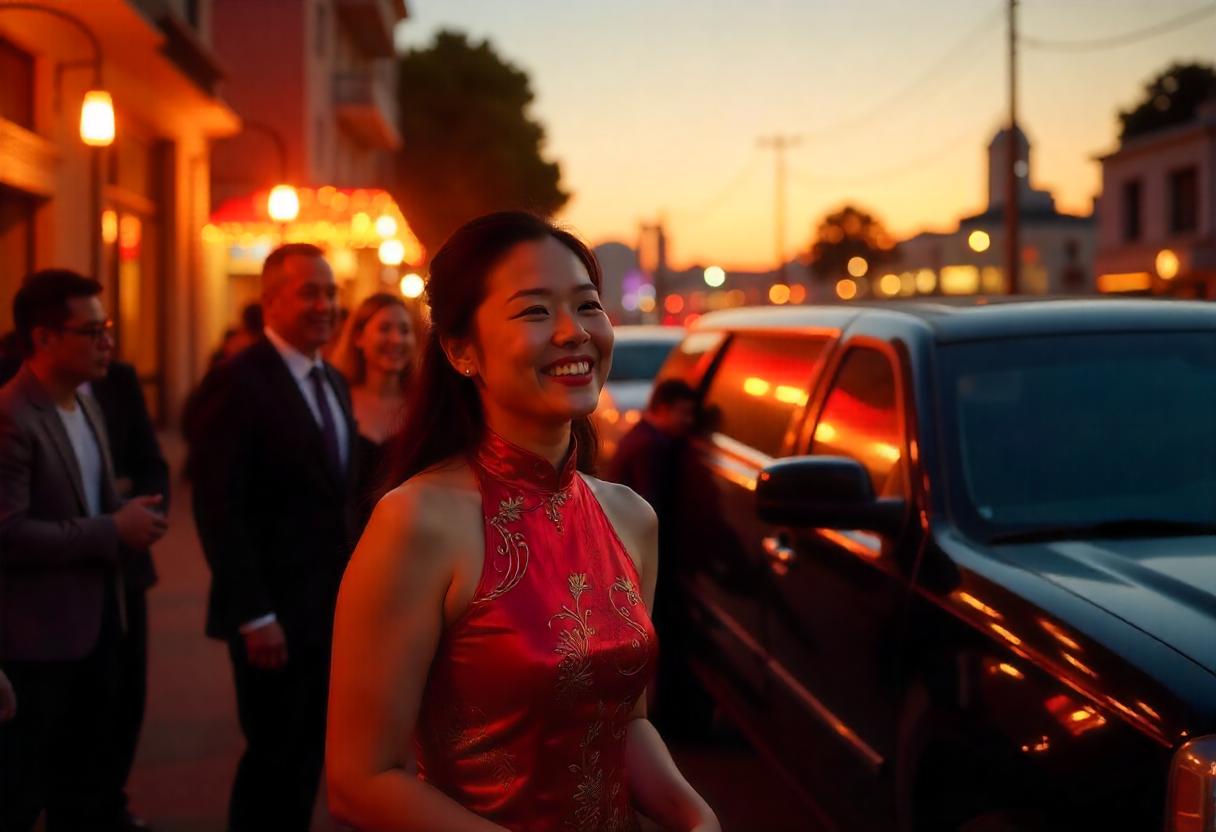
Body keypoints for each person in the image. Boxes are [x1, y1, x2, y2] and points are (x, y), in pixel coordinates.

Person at [326, 212, 720, 832]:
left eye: (588, 306)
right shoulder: (416, 520)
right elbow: (359, 781)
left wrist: (692, 814)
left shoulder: (631, 517)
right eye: (535, 312)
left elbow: (626, 720)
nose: (573, 332)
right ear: (461, 352)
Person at [191, 243, 360, 831]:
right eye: (309, 292)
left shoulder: (333, 382)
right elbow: (219, 509)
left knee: (310, 756)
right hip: (272, 617)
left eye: (331, 293)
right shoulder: (236, 383)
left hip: (326, 612)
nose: (325, 305)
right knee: (274, 760)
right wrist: (255, 614)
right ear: (269, 301)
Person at [0, 269, 167, 831]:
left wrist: (131, 515)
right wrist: (112, 529)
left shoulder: (86, 403)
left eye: (108, 328)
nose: (108, 342)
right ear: (44, 339)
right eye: (92, 331)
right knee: (23, 793)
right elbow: (8, 532)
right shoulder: (12, 416)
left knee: (88, 786)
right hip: (38, 642)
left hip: (100, 624)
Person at [89, 359, 171, 831]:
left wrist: (146, 509)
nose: (105, 341)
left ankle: (109, 800)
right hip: (50, 588)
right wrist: (111, 512)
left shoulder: (118, 377)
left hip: (128, 568)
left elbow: (151, 464)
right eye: (91, 330)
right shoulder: (12, 391)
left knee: (126, 696)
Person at [330, 292, 421, 524]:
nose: (396, 339)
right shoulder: (336, 400)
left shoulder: (423, 406)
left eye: (404, 330)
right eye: (384, 329)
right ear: (358, 337)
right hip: (342, 541)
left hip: (408, 538)